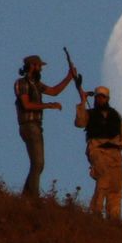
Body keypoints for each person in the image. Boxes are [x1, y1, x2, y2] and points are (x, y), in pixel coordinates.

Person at [14, 54, 76, 197]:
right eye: (39, 66)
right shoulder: (22, 83)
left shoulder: (36, 84)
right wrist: (48, 105)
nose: (41, 69)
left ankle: (26, 195)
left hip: (36, 126)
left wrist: (69, 78)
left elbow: (54, 91)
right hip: (29, 125)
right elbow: (26, 104)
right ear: (32, 66)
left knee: (38, 164)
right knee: (38, 163)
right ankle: (32, 196)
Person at [74, 85, 122, 221]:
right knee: (103, 177)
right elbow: (80, 123)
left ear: (107, 99)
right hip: (97, 149)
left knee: (116, 186)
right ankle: (96, 212)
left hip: (115, 152)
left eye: (102, 97)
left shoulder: (115, 115)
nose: (99, 100)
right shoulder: (89, 113)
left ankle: (114, 219)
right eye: (97, 97)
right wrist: (82, 102)